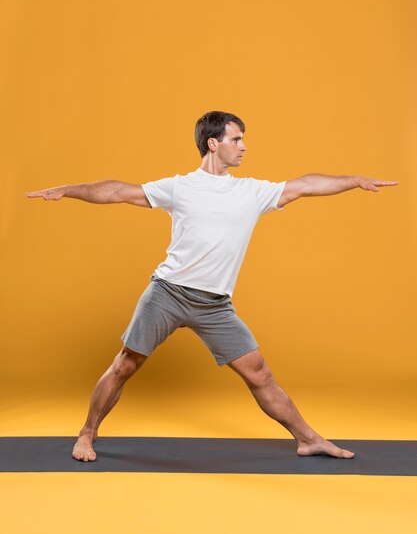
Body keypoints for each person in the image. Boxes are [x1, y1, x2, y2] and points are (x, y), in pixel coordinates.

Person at [25, 110, 398, 462]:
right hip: (168, 292)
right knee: (125, 364)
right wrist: (69, 189)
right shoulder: (180, 187)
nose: (244, 146)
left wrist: (354, 181)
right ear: (214, 143)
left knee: (260, 374)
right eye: (237, 139)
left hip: (215, 305)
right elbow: (118, 191)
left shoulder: (252, 192)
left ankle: (309, 439)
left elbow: (306, 185)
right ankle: (87, 433)